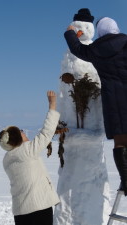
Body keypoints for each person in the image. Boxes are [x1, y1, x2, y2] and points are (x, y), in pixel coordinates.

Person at [64, 14, 127, 195]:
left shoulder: (96, 50)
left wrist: (70, 33)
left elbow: (77, 49)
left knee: (121, 142)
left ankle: (126, 181)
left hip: (114, 101)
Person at [0, 91, 60, 225]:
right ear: (18, 139)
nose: (24, 132)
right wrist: (52, 105)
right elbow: (46, 133)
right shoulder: (27, 151)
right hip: (39, 208)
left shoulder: (7, 159)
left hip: (20, 211)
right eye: (21, 131)